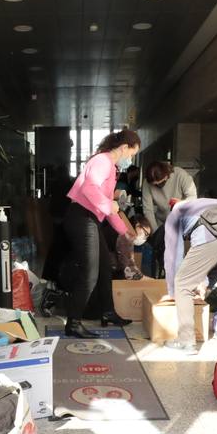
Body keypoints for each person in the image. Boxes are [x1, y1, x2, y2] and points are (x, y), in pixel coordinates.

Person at [62, 129, 141, 338]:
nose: (130, 159)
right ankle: (73, 323)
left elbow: (108, 210)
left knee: (106, 268)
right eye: (132, 154)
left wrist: (126, 233)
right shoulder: (103, 161)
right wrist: (109, 205)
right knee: (90, 273)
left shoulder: (111, 167)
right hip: (81, 218)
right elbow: (90, 190)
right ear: (124, 148)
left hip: (90, 219)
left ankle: (108, 312)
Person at [161, 196, 217, 353]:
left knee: (182, 283)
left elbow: (173, 255)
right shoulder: (205, 202)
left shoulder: (175, 214)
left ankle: (186, 342)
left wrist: (172, 292)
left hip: (214, 236)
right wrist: (205, 282)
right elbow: (215, 261)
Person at [142, 161, 197, 277]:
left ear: (167, 175)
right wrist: (156, 234)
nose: (157, 187)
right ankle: (160, 277)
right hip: (160, 222)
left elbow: (193, 197)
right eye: (155, 185)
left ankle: (177, 278)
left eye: (161, 184)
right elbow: (148, 210)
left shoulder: (180, 175)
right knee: (160, 252)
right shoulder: (147, 183)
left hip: (179, 220)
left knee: (176, 253)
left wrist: (181, 203)